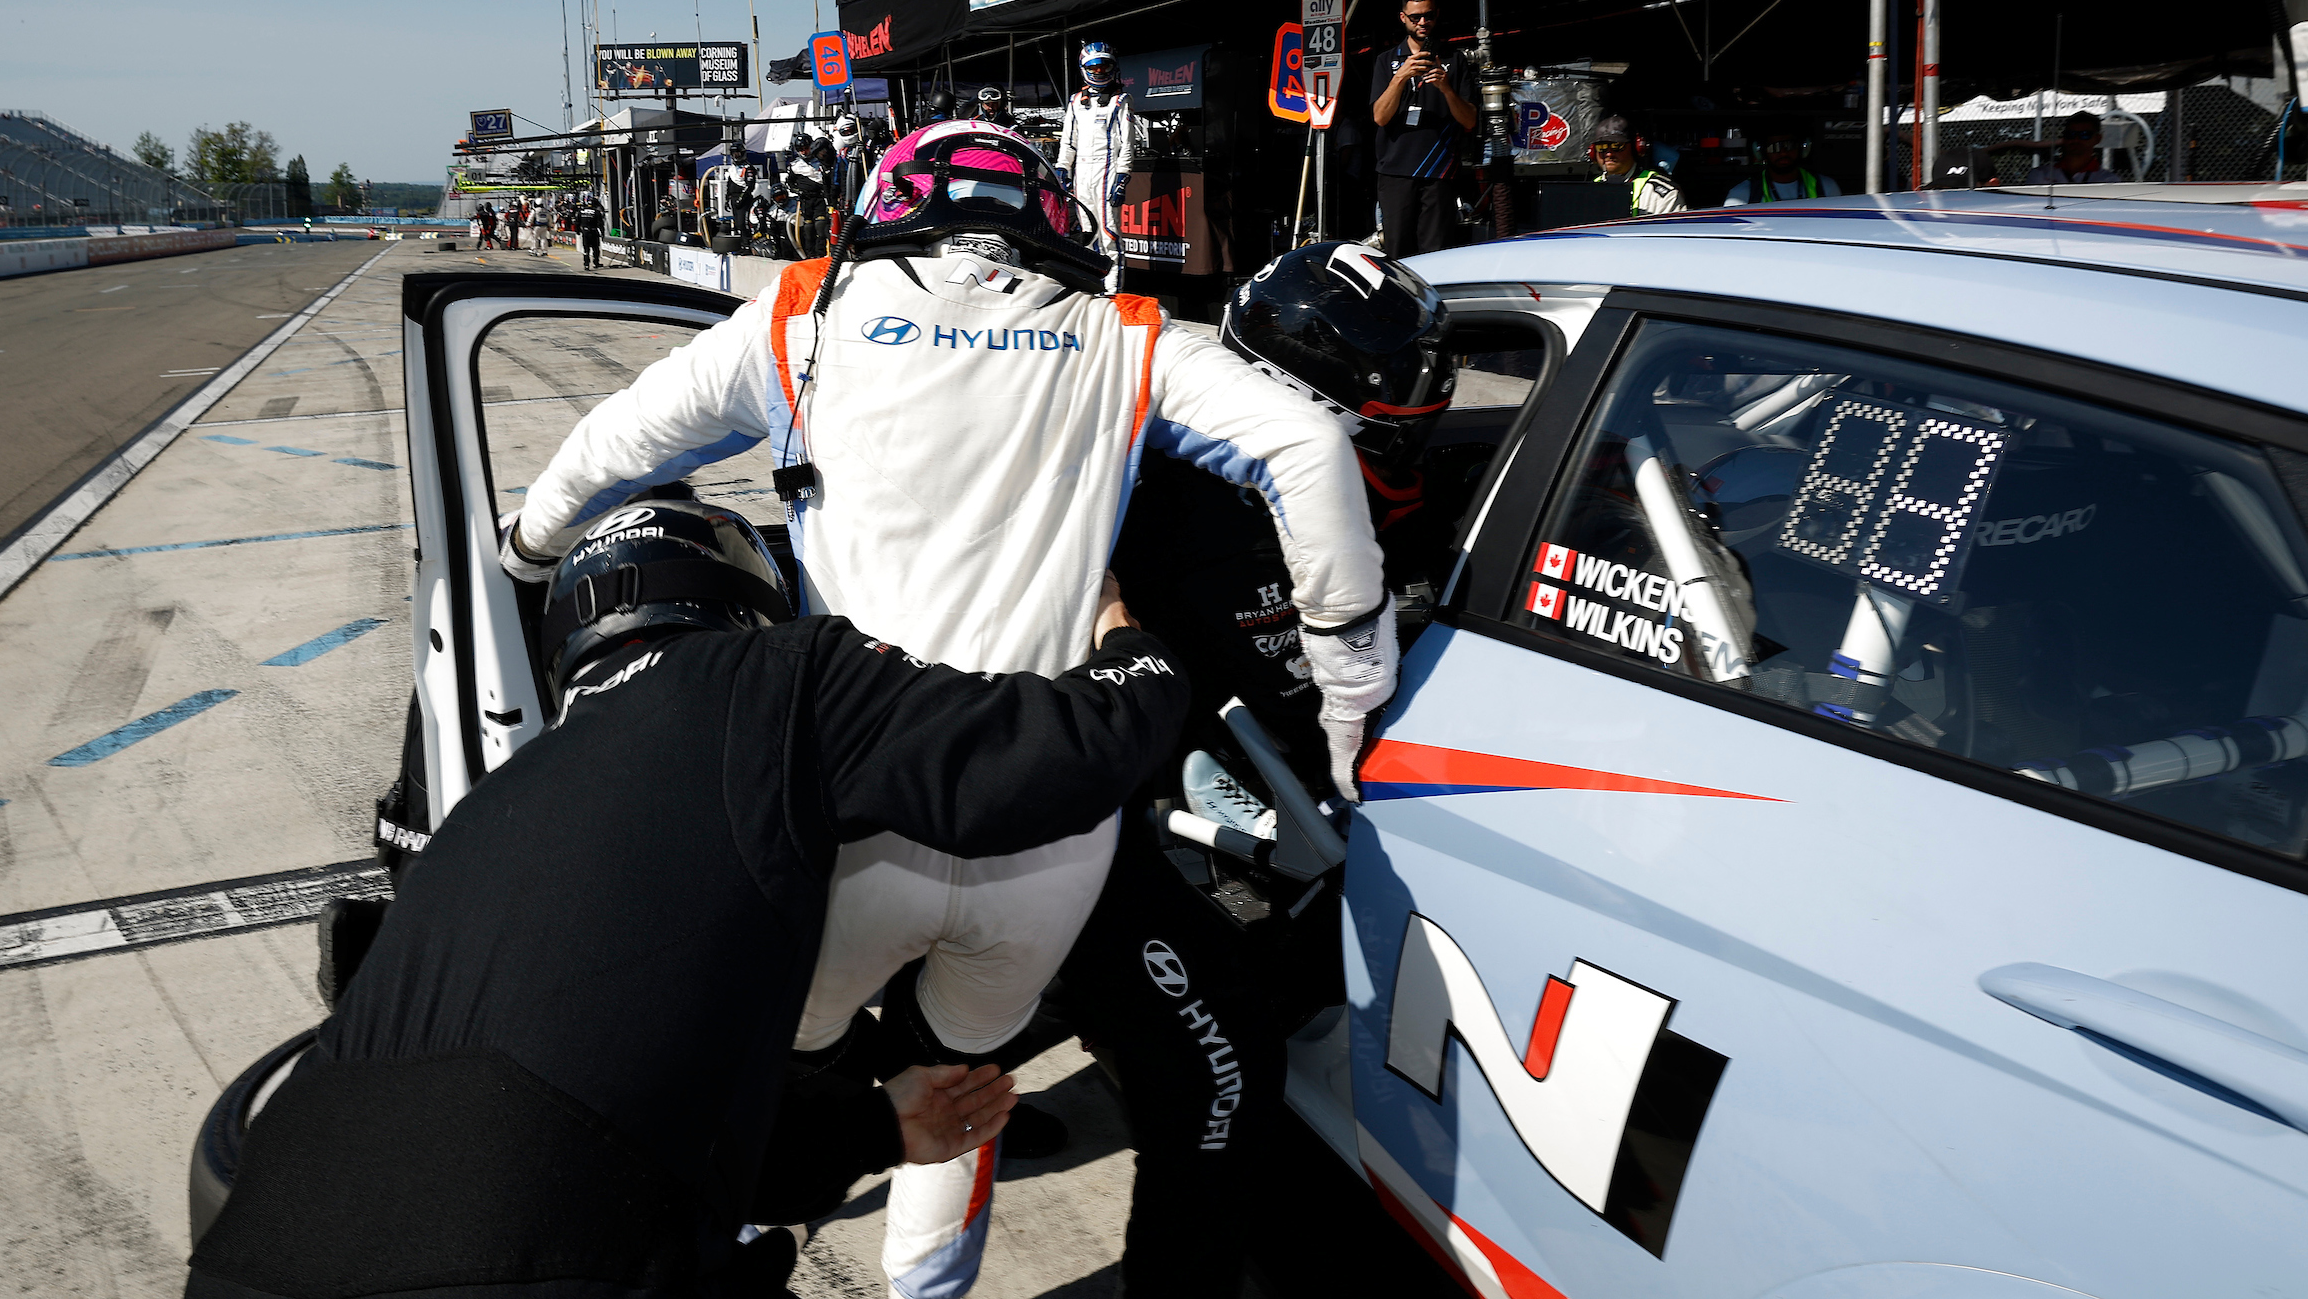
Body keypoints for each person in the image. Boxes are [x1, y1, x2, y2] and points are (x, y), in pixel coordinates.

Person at [501, 122, 1389, 1299]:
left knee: (760, 1091)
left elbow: (606, 451)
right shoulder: (1123, 335)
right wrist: (1351, 693)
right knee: (957, 1093)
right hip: (1050, 827)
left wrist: (524, 555)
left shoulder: (800, 315)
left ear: (883, 207)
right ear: (1058, 223)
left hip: (843, 818)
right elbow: (1312, 441)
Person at [186, 497, 1188, 1299]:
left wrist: (880, 1129)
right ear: (742, 601)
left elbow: (610, 1104)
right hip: (555, 1255)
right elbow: (1054, 757)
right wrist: (1133, 653)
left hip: (257, 1248)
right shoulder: (768, 675)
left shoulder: (496, 807)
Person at [1064, 241, 1457, 1298]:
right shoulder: (1150, 505)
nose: (1422, 420)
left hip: (1308, 809)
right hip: (1180, 823)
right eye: (1394, 410)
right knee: (1214, 1094)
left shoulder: (1393, 494)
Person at [1368, 0, 1480, 258]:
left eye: (1428, 16)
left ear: (1436, 15)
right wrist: (1400, 77)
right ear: (1403, 18)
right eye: (1415, 17)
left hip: (1439, 170)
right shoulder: (1387, 60)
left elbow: (1470, 120)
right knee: (1397, 251)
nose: (1422, 22)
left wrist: (1446, 89)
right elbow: (1380, 117)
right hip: (1396, 170)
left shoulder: (1454, 59)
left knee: (1436, 252)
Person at [1057, 43, 1140, 289]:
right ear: (1084, 68)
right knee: (1088, 233)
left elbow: (1127, 143)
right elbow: (1067, 141)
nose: (1099, 71)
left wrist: (1123, 176)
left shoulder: (1121, 100)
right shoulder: (1075, 101)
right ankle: (1095, 286)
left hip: (1107, 170)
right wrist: (1063, 167)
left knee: (1109, 234)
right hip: (1082, 172)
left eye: (1104, 66)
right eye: (1094, 67)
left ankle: (1114, 292)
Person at [1588, 114, 1685, 217]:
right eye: (1601, 147)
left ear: (1636, 149)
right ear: (1593, 152)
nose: (1609, 154)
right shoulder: (1587, 192)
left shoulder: (1662, 195)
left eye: (1617, 146)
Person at [1724, 127, 1841, 204]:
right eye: (1775, 147)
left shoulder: (1826, 187)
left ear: (1803, 149)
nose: (1783, 152)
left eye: (1789, 146)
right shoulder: (1742, 194)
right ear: (1761, 152)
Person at [2023, 110, 2123, 185]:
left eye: (2085, 134)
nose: (2076, 139)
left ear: (2097, 139)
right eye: (2070, 134)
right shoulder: (2040, 174)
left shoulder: (2108, 180)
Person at [579, 195, 604, 270]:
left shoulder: (581, 211)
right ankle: (596, 263)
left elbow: (577, 222)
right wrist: (602, 233)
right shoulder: (596, 212)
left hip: (585, 232)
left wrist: (578, 231)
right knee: (595, 248)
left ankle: (586, 264)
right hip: (594, 232)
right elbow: (600, 224)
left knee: (586, 249)